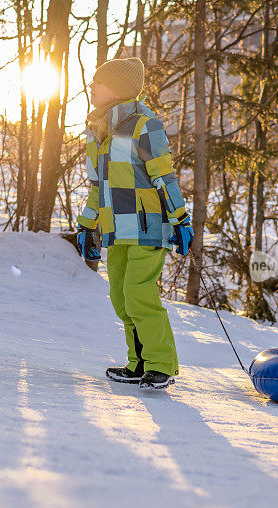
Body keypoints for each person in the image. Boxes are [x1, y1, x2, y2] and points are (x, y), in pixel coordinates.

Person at [76, 57, 193, 390]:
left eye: (99, 82)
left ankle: (162, 363)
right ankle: (138, 362)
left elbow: (164, 176)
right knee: (120, 296)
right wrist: (87, 226)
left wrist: (180, 219)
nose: (92, 88)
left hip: (146, 225)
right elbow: (98, 187)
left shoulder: (145, 125)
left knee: (138, 293)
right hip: (116, 229)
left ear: (118, 88)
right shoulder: (97, 130)